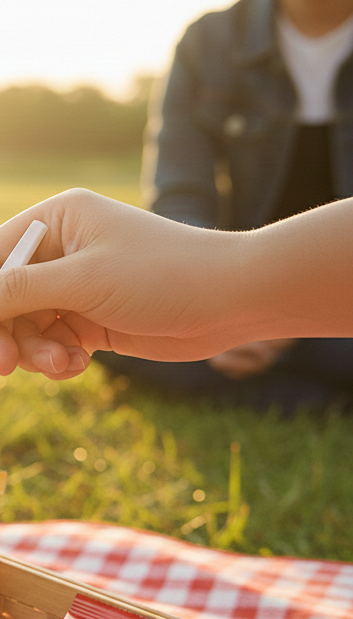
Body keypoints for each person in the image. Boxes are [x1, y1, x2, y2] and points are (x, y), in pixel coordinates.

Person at [99, 0, 353, 411]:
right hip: (233, 285)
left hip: (343, 300)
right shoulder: (209, 41)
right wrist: (219, 304)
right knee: (101, 322)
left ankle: (289, 394)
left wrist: (292, 310)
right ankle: (322, 398)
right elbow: (181, 195)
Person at [0, 188, 353, 379]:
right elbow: (178, 197)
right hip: (182, 306)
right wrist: (223, 296)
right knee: (103, 345)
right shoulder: (209, 42)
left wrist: (228, 290)